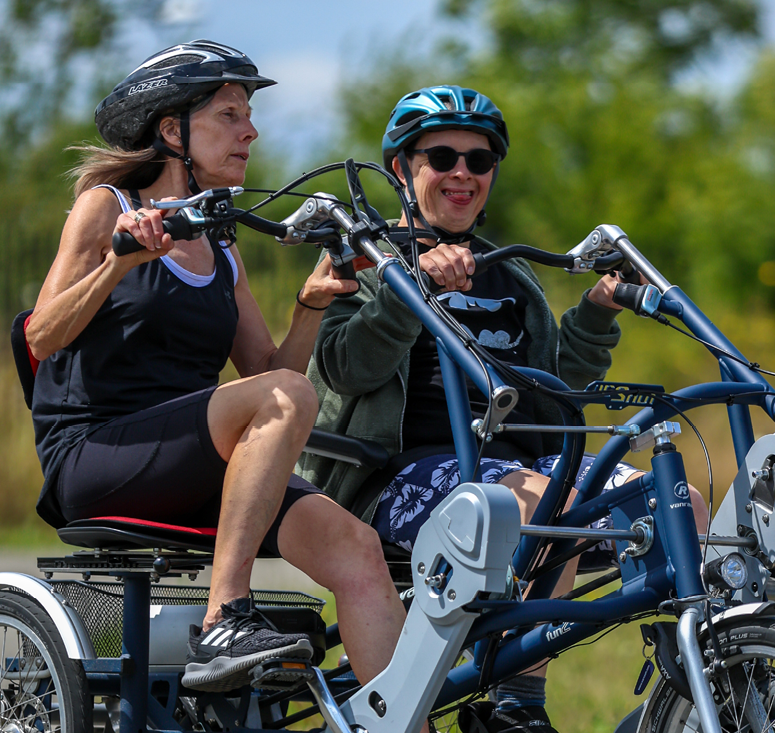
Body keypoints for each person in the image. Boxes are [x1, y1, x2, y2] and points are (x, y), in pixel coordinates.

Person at [298, 85, 707, 733]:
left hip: (517, 468)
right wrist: (414, 288)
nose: (462, 172)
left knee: (677, 498)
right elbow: (346, 368)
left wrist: (596, 312)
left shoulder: (509, 276)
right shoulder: (367, 263)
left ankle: (696, 687)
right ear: (403, 168)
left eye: (479, 161)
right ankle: (515, 707)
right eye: (441, 156)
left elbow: (554, 388)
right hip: (399, 479)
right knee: (548, 497)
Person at [26, 40, 404, 694]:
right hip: (96, 453)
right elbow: (43, 336)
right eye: (229, 114)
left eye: (248, 116)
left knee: (357, 549)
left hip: (189, 460)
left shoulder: (220, 240)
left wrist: (311, 303)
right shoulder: (107, 206)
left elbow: (267, 369)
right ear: (172, 130)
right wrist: (118, 263)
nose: (250, 130)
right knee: (281, 396)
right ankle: (225, 616)